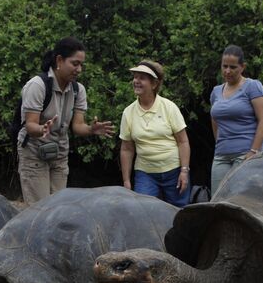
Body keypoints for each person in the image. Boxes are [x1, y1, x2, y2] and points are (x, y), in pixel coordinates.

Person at [17, 37, 115, 205]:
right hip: (34, 152)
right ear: (59, 60)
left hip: (59, 153)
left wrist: (91, 130)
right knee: (38, 209)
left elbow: (77, 126)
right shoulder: (38, 85)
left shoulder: (78, 90)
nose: (79, 69)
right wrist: (41, 129)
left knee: (59, 208)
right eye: (75, 64)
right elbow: (30, 125)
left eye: (81, 65)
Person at [119, 60, 191, 207]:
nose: (136, 81)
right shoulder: (128, 112)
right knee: (143, 211)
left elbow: (183, 141)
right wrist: (126, 181)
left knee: (180, 212)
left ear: (154, 84)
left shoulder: (169, 107)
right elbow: (127, 148)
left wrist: (184, 171)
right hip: (145, 173)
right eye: (135, 77)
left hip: (174, 170)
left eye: (142, 78)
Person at [209, 45, 263, 194]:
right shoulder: (216, 91)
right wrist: (219, 142)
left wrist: (253, 151)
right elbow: (215, 120)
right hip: (221, 154)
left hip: (246, 152)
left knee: (240, 199)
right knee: (217, 198)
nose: (227, 71)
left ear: (242, 67)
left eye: (233, 67)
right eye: (224, 66)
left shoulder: (252, 86)